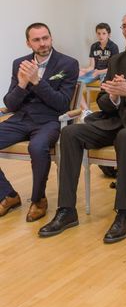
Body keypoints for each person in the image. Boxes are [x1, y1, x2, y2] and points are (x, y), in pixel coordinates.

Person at [38, 10, 126, 243]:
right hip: (115, 121)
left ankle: (123, 215)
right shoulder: (117, 61)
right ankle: (67, 210)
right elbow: (104, 102)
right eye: (124, 26)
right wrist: (116, 98)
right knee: (69, 133)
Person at [0, 23, 79, 222]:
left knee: (37, 147)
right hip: (21, 118)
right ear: (28, 43)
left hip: (51, 121)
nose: (42, 43)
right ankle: (8, 195)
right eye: (36, 39)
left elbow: (62, 104)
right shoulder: (20, 62)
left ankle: (38, 199)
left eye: (45, 38)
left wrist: (37, 81)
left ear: (51, 38)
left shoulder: (68, 63)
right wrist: (22, 83)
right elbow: (10, 103)